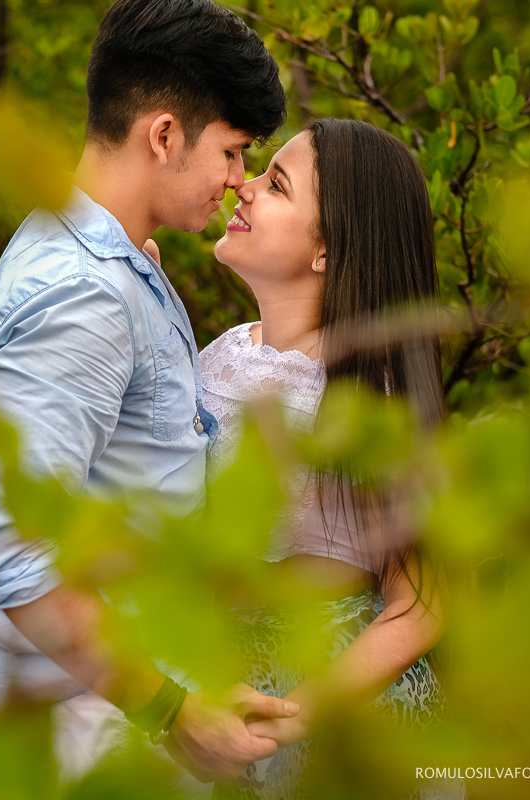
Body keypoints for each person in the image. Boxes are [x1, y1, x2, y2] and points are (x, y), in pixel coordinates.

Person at [0, 0, 297, 785]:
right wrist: (169, 711)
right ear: (165, 135)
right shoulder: (84, 296)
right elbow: (9, 548)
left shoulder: (113, 260)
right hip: (75, 728)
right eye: (234, 153)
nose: (239, 183)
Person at [197, 118, 466, 799]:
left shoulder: (368, 398)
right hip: (219, 695)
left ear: (327, 250)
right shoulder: (221, 353)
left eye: (276, 184)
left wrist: (299, 716)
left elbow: (422, 604)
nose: (244, 187)